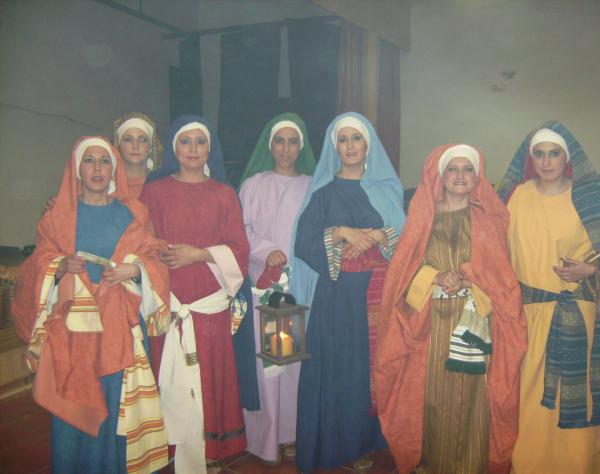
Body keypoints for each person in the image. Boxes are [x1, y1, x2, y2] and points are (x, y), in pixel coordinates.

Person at [12, 136, 171, 474]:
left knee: (114, 408)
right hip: (72, 331)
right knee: (73, 403)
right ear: (76, 169)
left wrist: (135, 270)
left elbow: (154, 256)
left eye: (104, 161)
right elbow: (35, 265)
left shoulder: (134, 214)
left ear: (114, 169)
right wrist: (59, 266)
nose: (97, 168)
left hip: (118, 330)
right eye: (89, 160)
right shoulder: (57, 216)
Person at [375, 144, 527, 474]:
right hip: (429, 324)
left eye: (467, 169)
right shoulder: (423, 218)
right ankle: (430, 465)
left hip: (476, 324)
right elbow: (403, 274)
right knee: (431, 397)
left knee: (472, 399)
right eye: (452, 169)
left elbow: (502, 279)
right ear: (440, 176)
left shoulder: (488, 220)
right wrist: (436, 276)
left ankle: (471, 465)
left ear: (478, 176)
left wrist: (471, 280)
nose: (460, 176)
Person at [497, 121, 600, 473]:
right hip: (529, 314)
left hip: (579, 315)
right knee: (529, 398)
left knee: (580, 396)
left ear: (567, 157)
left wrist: (591, 269)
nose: (546, 161)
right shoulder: (516, 197)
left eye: (554, 153)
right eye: (539, 154)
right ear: (530, 159)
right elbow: (494, 250)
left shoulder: (589, 198)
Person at [291, 112, 406, 473]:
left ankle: (369, 441)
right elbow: (303, 243)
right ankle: (335, 443)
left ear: (367, 144)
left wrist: (379, 235)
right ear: (334, 146)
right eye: (343, 139)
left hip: (378, 296)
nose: (350, 146)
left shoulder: (387, 190)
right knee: (340, 368)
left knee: (372, 367)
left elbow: (408, 239)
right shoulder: (323, 194)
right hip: (337, 297)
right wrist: (340, 232)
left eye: (357, 138)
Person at [140, 115, 248, 473]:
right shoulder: (154, 192)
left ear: (210, 149)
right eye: (185, 142)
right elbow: (141, 240)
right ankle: (171, 448)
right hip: (170, 302)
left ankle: (211, 449)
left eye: (200, 142)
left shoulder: (224, 194)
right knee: (169, 376)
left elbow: (240, 250)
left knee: (209, 378)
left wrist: (198, 254)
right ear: (174, 148)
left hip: (208, 304)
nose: (193, 149)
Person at [238, 112, 317, 464]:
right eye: (280, 141)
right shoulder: (254, 185)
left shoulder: (312, 185)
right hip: (267, 286)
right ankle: (265, 437)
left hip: (299, 285)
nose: (286, 149)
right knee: (269, 363)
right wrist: (266, 251)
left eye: (293, 141)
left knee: (293, 362)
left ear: (302, 146)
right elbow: (242, 230)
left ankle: (290, 434)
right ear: (270, 145)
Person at [113, 112, 163, 199]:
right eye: (128, 140)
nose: (135, 146)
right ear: (119, 145)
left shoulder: (162, 183)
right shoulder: (107, 184)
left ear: (151, 146)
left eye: (142, 140)